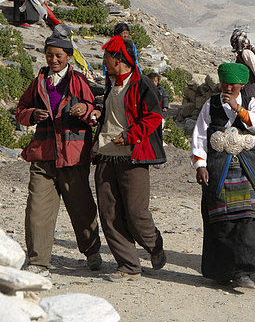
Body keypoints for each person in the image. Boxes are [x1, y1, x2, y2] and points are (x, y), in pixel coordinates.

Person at [192, 62, 255, 288]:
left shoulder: (251, 103)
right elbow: (199, 136)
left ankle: (244, 269)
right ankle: (223, 270)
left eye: (233, 85)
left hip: (245, 168)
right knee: (222, 220)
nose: (227, 88)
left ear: (242, 85)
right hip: (218, 170)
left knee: (248, 218)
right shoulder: (210, 105)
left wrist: (239, 109)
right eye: (224, 84)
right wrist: (200, 164)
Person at [16, 30, 102, 275]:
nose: (53, 60)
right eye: (49, 55)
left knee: (81, 206)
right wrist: (32, 115)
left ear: (68, 57)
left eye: (59, 56)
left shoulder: (79, 81)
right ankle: (38, 261)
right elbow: (21, 109)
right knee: (37, 209)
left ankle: (92, 250)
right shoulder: (39, 81)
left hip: (73, 155)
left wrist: (84, 109)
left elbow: (95, 110)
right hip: (43, 155)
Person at [93, 35, 166, 280]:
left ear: (120, 59)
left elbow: (153, 117)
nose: (104, 61)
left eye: (107, 57)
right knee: (109, 214)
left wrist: (129, 136)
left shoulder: (142, 84)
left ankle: (154, 244)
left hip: (132, 156)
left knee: (136, 213)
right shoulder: (110, 83)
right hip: (106, 155)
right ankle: (129, 266)